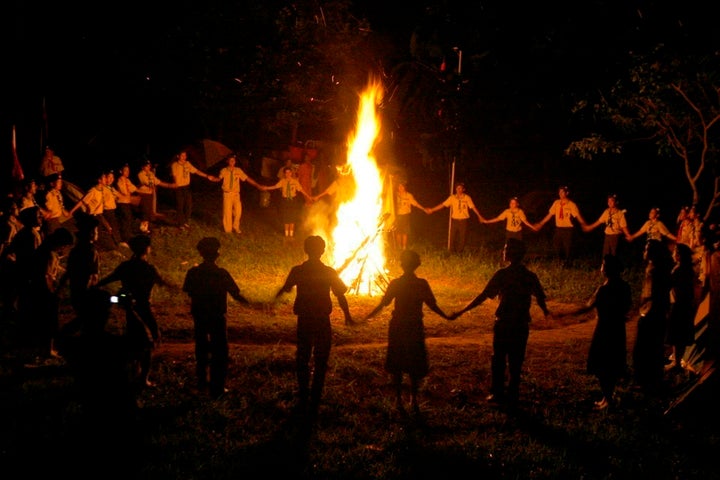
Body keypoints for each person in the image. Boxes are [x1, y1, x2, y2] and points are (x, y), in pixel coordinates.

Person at [450, 238, 550, 405]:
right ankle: (513, 392)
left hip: (504, 323)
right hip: (520, 324)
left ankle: (497, 392)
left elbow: (483, 296)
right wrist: (547, 312)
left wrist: (462, 311)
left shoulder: (502, 275)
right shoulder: (529, 276)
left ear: (512, 254)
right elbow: (540, 297)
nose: (503, 252)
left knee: (499, 358)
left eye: (506, 249)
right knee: (516, 359)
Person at [361, 249, 452, 417]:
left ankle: (398, 399)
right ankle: (413, 399)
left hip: (399, 326)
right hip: (414, 326)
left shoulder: (396, 283)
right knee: (414, 363)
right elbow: (432, 305)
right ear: (417, 265)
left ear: (402, 265)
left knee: (397, 362)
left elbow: (383, 304)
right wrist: (446, 316)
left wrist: (366, 318)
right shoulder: (421, 284)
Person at [273, 235, 353, 417]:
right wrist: (347, 316)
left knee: (303, 355)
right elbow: (341, 295)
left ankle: (303, 394)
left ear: (305, 250)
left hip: (305, 319)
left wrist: (272, 303)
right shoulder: (329, 272)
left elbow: (285, 288)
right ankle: (315, 396)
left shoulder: (298, 270)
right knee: (321, 357)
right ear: (323, 251)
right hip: (322, 319)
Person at [96, 234, 176, 387]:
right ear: (146, 249)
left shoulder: (126, 266)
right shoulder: (148, 268)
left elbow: (110, 278)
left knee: (134, 338)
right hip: (143, 307)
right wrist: (176, 288)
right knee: (150, 340)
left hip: (128, 307)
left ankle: (133, 371)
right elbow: (163, 282)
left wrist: (95, 285)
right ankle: (142, 378)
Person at [183, 237, 251, 398]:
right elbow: (235, 294)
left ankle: (201, 383)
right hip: (217, 317)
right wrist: (251, 304)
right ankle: (217, 387)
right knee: (220, 351)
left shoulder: (193, 273)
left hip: (199, 316)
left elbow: (188, 291)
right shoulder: (221, 274)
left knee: (201, 349)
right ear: (217, 254)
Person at [566, 254, 632, 411]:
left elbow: (587, 307)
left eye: (603, 265)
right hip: (618, 330)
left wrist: (565, 314)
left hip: (604, 330)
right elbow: (627, 306)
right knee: (613, 364)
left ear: (607, 269)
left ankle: (608, 400)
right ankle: (607, 397)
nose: (601, 267)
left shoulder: (604, 289)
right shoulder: (625, 287)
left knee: (603, 366)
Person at [24, 227, 74, 361]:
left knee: (43, 322)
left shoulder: (43, 250)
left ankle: (44, 349)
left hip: (36, 290)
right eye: (64, 246)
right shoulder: (49, 254)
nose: (63, 249)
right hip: (44, 292)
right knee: (49, 322)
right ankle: (46, 350)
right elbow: (46, 276)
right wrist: (53, 293)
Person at [632, 239, 673, 393]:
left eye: (647, 248)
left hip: (651, 313)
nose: (644, 250)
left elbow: (653, 293)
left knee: (643, 349)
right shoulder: (657, 268)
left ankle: (645, 381)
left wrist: (646, 311)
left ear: (653, 253)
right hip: (656, 312)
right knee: (653, 347)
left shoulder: (655, 270)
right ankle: (653, 379)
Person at [534, 185, 587, 267]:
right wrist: (541, 224)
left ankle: (568, 263)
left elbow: (578, 216)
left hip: (568, 229)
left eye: (562, 192)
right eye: (559, 192)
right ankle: (560, 261)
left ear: (567, 193)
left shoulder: (571, 205)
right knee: (557, 245)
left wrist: (584, 224)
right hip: (559, 228)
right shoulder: (556, 203)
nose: (560, 194)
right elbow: (550, 215)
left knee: (568, 247)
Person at [426, 182, 485, 254]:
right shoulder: (452, 198)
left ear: (463, 189)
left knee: (462, 237)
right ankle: (451, 252)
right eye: (457, 188)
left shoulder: (467, 198)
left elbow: (473, 207)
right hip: (455, 220)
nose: (458, 189)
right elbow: (443, 205)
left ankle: (460, 252)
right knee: (452, 236)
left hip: (463, 220)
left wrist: (479, 216)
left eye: (460, 188)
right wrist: (432, 210)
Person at [665, 243, 696, 374]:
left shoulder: (678, 270)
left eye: (675, 252)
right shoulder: (688, 269)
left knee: (677, 333)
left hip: (679, 304)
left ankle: (676, 362)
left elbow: (671, 284)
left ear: (678, 255)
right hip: (686, 304)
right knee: (681, 334)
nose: (672, 254)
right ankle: (677, 360)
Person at [170, 149, 218, 230]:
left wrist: (207, 176)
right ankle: (181, 223)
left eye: (185, 155)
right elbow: (174, 175)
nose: (184, 157)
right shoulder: (174, 165)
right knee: (180, 205)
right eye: (182, 156)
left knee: (189, 205)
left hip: (187, 187)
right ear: (178, 156)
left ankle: (185, 221)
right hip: (179, 187)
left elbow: (196, 171)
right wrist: (175, 183)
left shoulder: (188, 164)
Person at [216, 153, 263, 234]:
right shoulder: (223, 170)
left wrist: (257, 185)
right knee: (227, 212)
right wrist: (212, 178)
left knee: (238, 211)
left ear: (235, 162)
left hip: (236, 194)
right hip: (227, 194)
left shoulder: (238, 170)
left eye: (233, 161)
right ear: (228, 161)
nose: (232, 162)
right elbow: (218, 179)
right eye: (230, 161)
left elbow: (247, 178)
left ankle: (236, 226)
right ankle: (228, 230)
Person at [263, 166, 312, 239]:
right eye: (286, 172)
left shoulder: (295, 181)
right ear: (284, 174)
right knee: (286, 217)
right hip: (285, 200)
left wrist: (308, 196)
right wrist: (266, 187)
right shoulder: (282, 181)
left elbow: (301, 190)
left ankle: (291, 235)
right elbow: (275, 186)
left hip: (292, 200)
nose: (288, 174)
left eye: (289, 172)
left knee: (292, 217)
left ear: (291, 173)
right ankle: (286, 235)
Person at [582, 193, 631, 258]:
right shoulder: (606, 212)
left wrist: (628, 235)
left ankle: (614, 267)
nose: (609, 202)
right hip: (607, 235)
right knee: (605, 254)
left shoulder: (620, 214)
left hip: (615, 236)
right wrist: (589, 227)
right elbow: (599, 222)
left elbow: (623, 226)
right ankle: (604, 267)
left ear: (616, 202)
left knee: (614, 254)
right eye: (608, 201)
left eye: (612, 201)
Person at [136, 159, 175, 234]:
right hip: (144, 194)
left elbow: (158, 182)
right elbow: (148, 183)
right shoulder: (140, 174)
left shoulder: (151, 174)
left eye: (149, 166)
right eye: (146, 166)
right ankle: (142, 228)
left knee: (149, 211)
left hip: (150, 194)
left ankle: (146, 227)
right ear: (143, 167)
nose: (148, 168)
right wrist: (153, 183)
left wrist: (169, 185)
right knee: (145, 211)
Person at [392, 180, 427, 251]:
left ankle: (404, 247)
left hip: (405, 215)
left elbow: (415, 204)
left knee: (405, 232)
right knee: (398, 231)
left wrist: (424, 209)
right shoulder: (395, 195)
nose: (400, 188)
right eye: (399, 186)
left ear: (404, 187)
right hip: (397, 216)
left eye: (402, 186)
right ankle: (399, 247)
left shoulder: (409, 195)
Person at [115, 163, 140, 243]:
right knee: (125, 219)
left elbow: (134, 189)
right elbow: (125, 192)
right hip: (122, 203)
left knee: (129, 219)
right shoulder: (120, 181)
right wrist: (129, 188)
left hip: (127, 203)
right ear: (120, 171)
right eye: (125, 171)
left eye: (128, 171)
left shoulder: (127, 180)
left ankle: (128, 235)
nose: (127, 172)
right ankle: (125, 237)